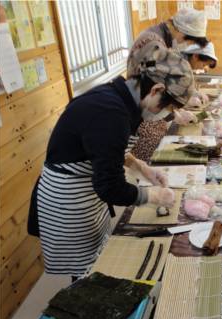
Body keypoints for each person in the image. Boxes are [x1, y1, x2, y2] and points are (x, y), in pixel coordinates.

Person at [28, 46, 195, 278]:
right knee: (86, 276)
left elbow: (104, 151)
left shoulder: (123, 98)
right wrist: (152, 196)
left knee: (100, 260)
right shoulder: (110, 112)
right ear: (156, 89)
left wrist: (141, 167)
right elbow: (110, 187)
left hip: (87, 188)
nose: (167, 113)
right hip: (70, 200)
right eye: (169, 107)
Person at [127, 8, 208, 77]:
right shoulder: (155, 43)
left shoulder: (159, 34)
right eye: (188, 43)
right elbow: (153, 78)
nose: (185, 46)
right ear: (181, 31)